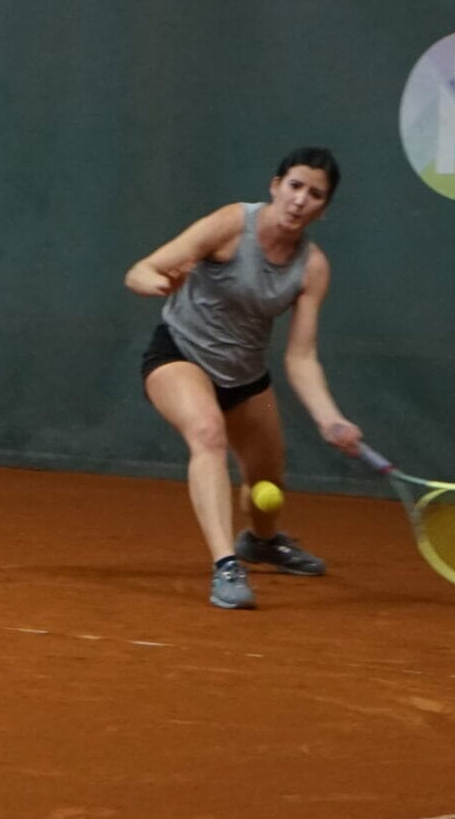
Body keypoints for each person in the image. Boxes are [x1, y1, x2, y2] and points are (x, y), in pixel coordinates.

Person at [125, 147, 363, 610]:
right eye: (294, 186)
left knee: (267, 479)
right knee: (207, 433)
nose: (300, 200)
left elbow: (301, 356)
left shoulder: (312, 267)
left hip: (249, 379)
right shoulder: (232, 224)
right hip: (179, 355)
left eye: (315, 194)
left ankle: (262, 541)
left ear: (324, 209)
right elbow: (140, 270)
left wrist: (330, 418)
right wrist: (157, 283)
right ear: (275, 186)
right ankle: (226, 565)